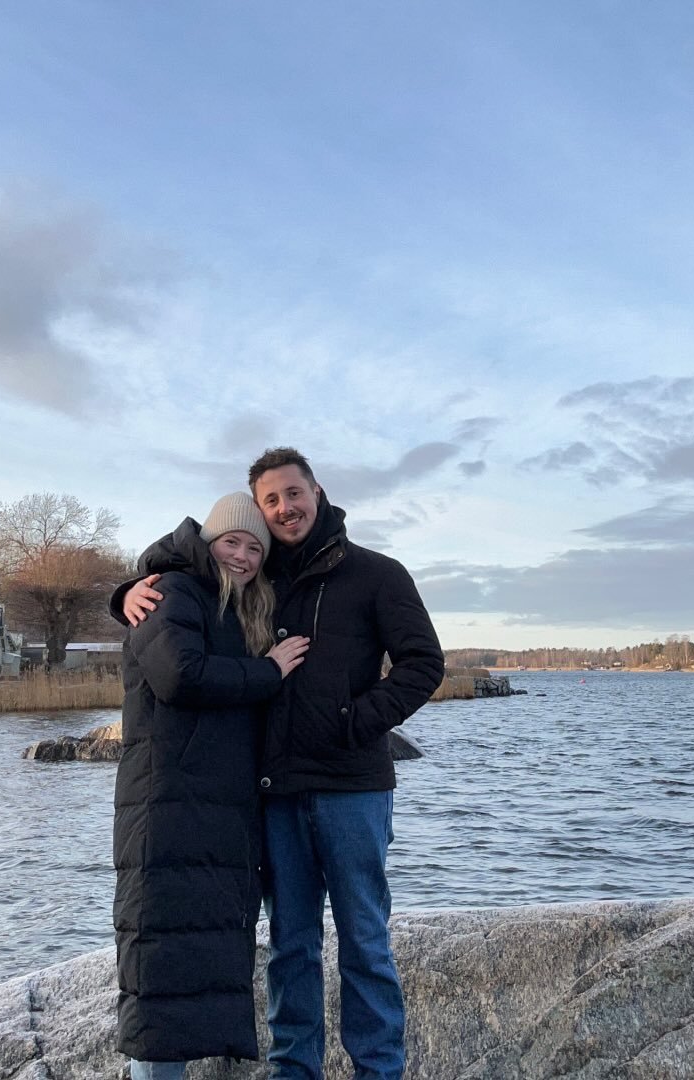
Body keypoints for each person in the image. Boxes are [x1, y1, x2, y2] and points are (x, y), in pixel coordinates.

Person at [119, 447, 444, 1080]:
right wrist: (127, 591)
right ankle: (295, 1071)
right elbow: (184, 593)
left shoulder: (377, 574)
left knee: (365, 941)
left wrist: (355, 722)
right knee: (290, 946)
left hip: (352, 789)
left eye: (293, 493)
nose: (285, 508)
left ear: (317, 493)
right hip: (276, 795)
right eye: (270, 500)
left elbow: (424, 664)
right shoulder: (256, 578)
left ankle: (379, 1071)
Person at [114, 491, 309, 1080]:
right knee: (159, 970)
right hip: (168, 806)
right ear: (207, 542)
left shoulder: (234, 607)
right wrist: (268, 670)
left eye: (255, 548)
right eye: (231, 542)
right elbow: (179, 675)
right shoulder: (173, 590)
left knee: (190, 963)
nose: (243, 556)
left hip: (211, 809)